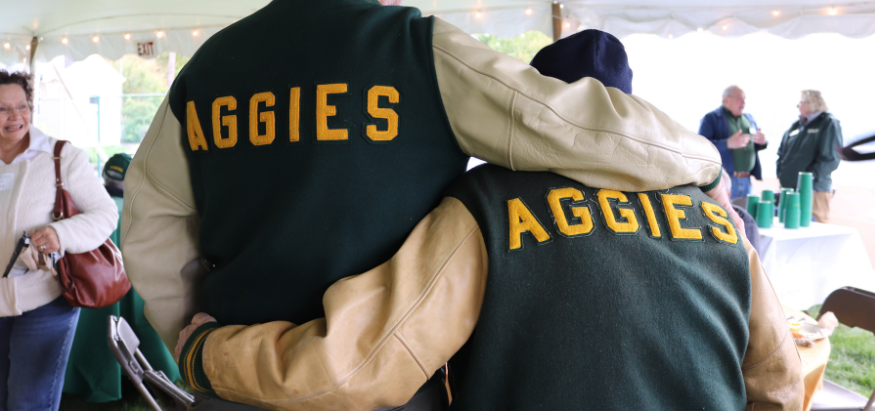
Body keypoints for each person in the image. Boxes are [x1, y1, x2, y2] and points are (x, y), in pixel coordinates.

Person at [121, 0, 724, 408]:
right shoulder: (416, 49)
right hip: (384, 391)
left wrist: (199, 339)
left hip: (236, 381)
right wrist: (702, 162)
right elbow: (571, 125)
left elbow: (149, 228)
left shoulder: (207, 68)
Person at [174, 31, 803, 411]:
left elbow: (358, 364)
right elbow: (777, 384)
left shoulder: (487, 207)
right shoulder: (721, 222)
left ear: (538, 109)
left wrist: (209, 352)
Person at [0, 70, 118, 411]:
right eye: (3, 109)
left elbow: (105, 214)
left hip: (45, 297)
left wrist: (60, 234)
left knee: (27, 403)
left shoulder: (61, 157)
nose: (15, 117)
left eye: (21, 106)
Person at [63, 153, 181, 403]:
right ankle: (156, 374)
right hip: (139, 286)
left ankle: (94, 379)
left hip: (94, 289)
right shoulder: (148, 212)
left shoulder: (83, 213)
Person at [777, 90, 842, 223]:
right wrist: (781, 173)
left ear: (812, 103)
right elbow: (781, 153)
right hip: (790, 191)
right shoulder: (796, 125)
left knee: (816, 233)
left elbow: (830, 158)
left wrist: (806, 181)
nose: (798, 106)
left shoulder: (828, 123)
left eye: (801, 102)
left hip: (814, 192)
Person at [699, 85, 768, 199]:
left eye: (745, 99)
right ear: (727, 99)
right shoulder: (711, 118)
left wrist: (763, 142)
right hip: (724, 181)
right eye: (740, 98)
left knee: (744, 215)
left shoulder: (749, 118)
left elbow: (757, 143)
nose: (743, 102)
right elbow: (700, 147)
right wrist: (727, 143)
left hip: (747, 180)